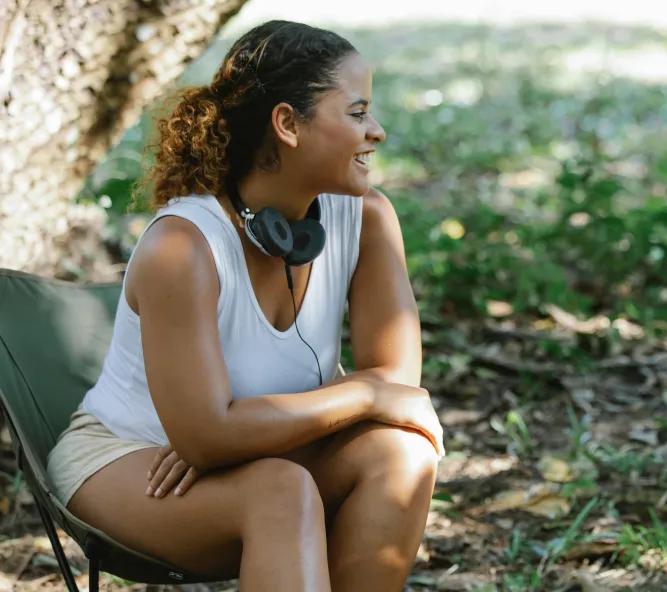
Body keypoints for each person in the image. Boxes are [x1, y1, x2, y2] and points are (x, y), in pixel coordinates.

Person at [44, 20, 443, 591]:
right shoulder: (182, 248)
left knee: (401, 452)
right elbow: (205, 439)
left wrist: (240, 434)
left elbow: (397, 388)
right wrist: (359, 394)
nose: (376, 131)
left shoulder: (368, 218)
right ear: (287, 124)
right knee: (279, 491)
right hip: (135, 459)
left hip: (274, 456)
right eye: (356, 113)